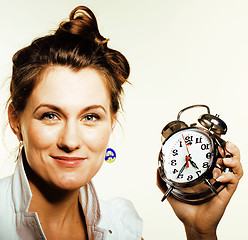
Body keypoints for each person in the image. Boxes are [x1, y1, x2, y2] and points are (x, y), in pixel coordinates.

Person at [0, 5, 243, 240]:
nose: (70, 141)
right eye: (50, 116)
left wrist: (200, 232)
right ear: (15, 121)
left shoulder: (121, 225)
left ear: (111, 124)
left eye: (90, 117)